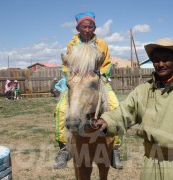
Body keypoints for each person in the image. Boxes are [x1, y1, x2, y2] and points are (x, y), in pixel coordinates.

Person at [95, 38, 173, 179]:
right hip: (152, 165)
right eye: (157, 60)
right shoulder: (142, 91)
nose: (161, 64)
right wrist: (105, 121)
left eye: (166, 59)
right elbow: (124, 112)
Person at [53, 12, 123, 169]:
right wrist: (71, 77)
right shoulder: (72, 44)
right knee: (61, 109)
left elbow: (106, 63)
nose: (87, 29)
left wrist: (100, 76)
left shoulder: (102, 44)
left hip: (96, 81)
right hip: (77, 82)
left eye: (90, 26)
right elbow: (67, 64)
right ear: (78, 28)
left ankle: (114, 148)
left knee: (114, 106)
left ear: (94, 28)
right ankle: (64, 148)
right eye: (84, 26)